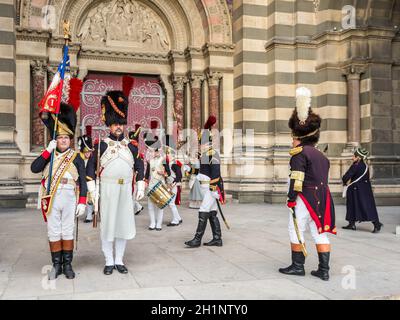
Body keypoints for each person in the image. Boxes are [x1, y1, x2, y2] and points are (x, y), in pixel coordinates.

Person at [279, 87, 336, 281]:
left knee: (295, 228)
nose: (292, 141)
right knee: (319, 231)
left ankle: (297, 266)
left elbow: (297, 178)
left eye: (293, 137)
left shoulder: (299, 153)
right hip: (322, 197)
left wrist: (291, 199)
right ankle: (324, 270)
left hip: (304, 197)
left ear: (298, 137)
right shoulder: (321, 154)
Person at [86, 90, 145, 275]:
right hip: (108, 189)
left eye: (120, 124)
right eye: (114, 124)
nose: (118, 127)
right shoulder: (101, 145)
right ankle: (109, 261)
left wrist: (141, 183)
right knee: (108, 227)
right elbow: (90, 170)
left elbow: (139, 165)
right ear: (109, 126)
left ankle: (119, 260)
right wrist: (93, 192)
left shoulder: (131, 146)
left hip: (126, 189)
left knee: (123, 226)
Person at [31, 103, 87, 280]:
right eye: (60, 138)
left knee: (68, 230)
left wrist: (82, 201)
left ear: (70, 140)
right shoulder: (50, 155)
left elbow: (83, 181)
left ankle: (68, 264)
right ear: (55, 139)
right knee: (54, 231)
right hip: (52, 198)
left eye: (66, 138)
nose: (63, 140)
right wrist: (48, 151)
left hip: (70, 197)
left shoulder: (76, 157)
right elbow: (34, 168)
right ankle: (56, 265)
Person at [185, 115, 225, 248]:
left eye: (201, 144)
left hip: (210, 189)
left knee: (203, 210)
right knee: (212, 212)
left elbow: (216, 173)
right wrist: (188, 171)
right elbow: (200, 172)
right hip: (204, 188)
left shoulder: (213, 154)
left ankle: (197, 240)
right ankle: (217, 238)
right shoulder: (203, 155)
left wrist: (214, 190)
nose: (199, 146)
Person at [342, 147, 383, 233]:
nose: (352, 157)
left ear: (358, 157)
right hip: (365, 189)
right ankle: (374, 223)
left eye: (354, 156)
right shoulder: (365, 165)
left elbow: (346, 176)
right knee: (367, 206)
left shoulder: (355, 165)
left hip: (355, 189)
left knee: (353, 205)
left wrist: (344, 181)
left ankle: (375, 224)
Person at [144, 126, 171, 231]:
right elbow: (147, 173)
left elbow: (168, 173)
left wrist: (163, 173)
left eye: (156, 151)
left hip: (160, 183)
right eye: (152, 151)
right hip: (151, 184)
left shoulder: (164, 160)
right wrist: (145, 181)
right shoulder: (149, 160)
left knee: (160, 204)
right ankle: (152, 223)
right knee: (150, 205)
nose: (154, 153)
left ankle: (159, 224)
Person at [164, 134, 183, 226]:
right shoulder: (169, 163)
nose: (167, 154)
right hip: (169, 184)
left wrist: (173, 185)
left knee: (171, 203)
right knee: (171, 203)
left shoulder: (175, 163)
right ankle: (178, 218)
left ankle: (176, 220)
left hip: (173, 185)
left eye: (168, 152)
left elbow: (179, 176)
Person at [77, 126, 94, 223]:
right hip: (81, 180)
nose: (88, 153)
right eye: (86, 151)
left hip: (91, 180)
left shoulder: (93, 158)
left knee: (90, 199)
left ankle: (89, 215)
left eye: (89, 151)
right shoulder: (79, 158)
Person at [129, 124, 144, 216]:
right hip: (129, 175)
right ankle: (138, 206)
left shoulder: (138, 154)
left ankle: (135, 208)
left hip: (134, 176)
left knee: (132, 194)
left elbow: (139, 166)